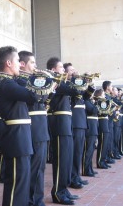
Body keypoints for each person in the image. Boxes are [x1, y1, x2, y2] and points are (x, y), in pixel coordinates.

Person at [0, 46, 38, 206]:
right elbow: (32, 96)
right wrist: (44, 82)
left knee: (22, 182)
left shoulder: (11, 82)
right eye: (17, 61)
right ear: (8, 63)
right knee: (16, 183)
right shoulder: (5, 83)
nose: (21, 65)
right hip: (15, 137)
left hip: (20, 136)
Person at [47, 57, 80, 205]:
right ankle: (57, 193)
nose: (63, 70)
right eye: (61, 68)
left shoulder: (62, 82)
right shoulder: (54, 81)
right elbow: (73, 90)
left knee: (66, 159)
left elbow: (73, 100)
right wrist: (76, 79)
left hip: (66, 123)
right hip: (59, 124)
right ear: (54, 69)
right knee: (60, 160)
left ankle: (64, 189)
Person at [18, 50, 49, 206]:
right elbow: (39, 97)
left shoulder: (32, 79)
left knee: (40, 167)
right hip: (34, 126)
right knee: (35, 167)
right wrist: (48, 82)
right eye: (32, 63)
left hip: (40, 126)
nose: (35, 66)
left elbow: (44, 98)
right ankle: (32, 200)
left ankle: (36, 199)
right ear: (22, 64)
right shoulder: (23, 80)